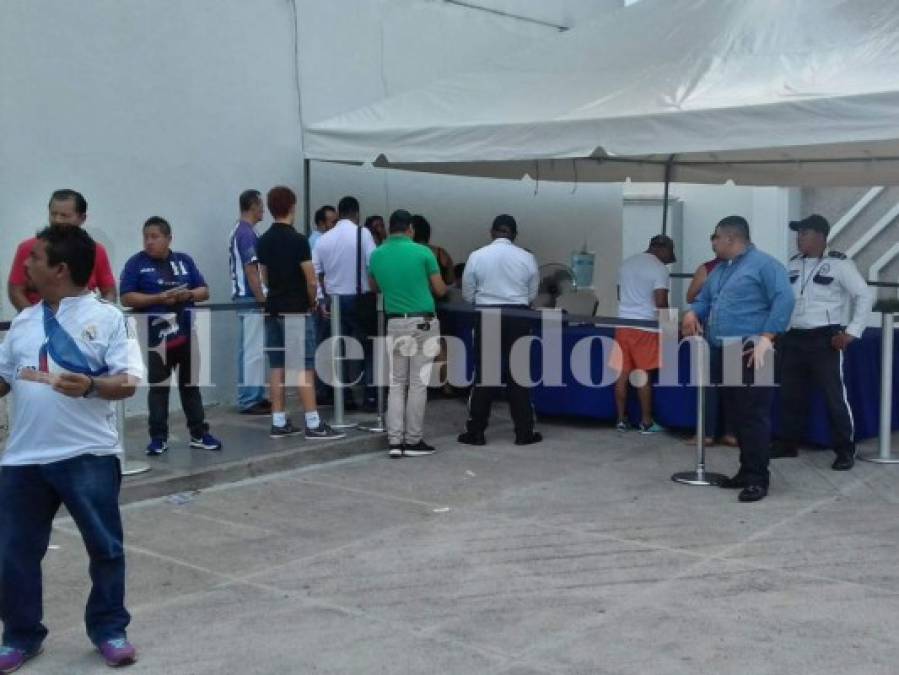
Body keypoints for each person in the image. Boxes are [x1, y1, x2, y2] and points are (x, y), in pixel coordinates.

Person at [0, 226, 144, 671]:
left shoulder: (109, 318)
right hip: (23, 459)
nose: (25, 264)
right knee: (13, 552)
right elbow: (6, 379)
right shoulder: (24, 321)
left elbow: (128, 381)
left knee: (104, 548)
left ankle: (109, 628)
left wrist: (91, 386)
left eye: (35, 258)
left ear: (60, 269)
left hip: (87, 455)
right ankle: (22, 635)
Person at [683, 215, 794, 503]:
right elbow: (705, 298)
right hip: (725, 348)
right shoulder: (722, 269)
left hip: (752, 349)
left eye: (716, 237)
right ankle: (746, 470)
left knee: (754, 416)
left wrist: (767, 337)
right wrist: (693, 312)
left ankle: (758, 478)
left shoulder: (765, 266)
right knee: (738, 414)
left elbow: (785, 299)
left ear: (730, 239)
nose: (714, 242)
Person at [773, 214, 874, 470]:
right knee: (789, 395)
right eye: (798, 233)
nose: (798, 238)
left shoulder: (839, 264)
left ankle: (844, 450)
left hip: (824, 339)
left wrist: (851, 332)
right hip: (794, 337)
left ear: (820, 236)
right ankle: (787, 443)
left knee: (833, 396)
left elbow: (864, 295)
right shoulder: (793, 264)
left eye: (803, 233)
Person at [120, 217, 222, 455]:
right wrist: (157, 299)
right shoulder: (136, 264)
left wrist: (187, 295)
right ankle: (158, 438)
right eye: (146, 237)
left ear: (168, 238)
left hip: (188, 333)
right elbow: (126, 297)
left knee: (190, 386)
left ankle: (199, 433)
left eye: (155, 237)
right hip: (156, 335)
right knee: (158, 388)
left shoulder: (184, 261)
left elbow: (204, 290)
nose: (149, 242)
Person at [256, 186, 344, 440]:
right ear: (292, 206)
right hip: (295, 309)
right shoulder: (298, 240)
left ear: (271, 209)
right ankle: (314, 422)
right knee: (304, 366)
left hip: (272, 308)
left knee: (277, 365)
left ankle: (278, 420)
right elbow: (311, 279)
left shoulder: (264, 240)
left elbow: (264, 276)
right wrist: (311, 301)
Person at [369, 210, 447, 457]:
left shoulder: (377, 254)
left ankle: (394, 441)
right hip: (422, 323)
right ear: (410, 229)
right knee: (417, 384)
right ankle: (413, 441)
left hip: (395, 323)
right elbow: (440, 289)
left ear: (390, 229)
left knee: (396, 384)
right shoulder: (423, 252)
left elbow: (374, 286)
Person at [459, 214, 541, 446]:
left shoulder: (477, 256)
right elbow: (532, 294)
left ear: (492, 232)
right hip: (518, 316)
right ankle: (524, 433)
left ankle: (476, 432)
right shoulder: (527, 257)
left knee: (486, 375)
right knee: (518, 377)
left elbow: (467, 294)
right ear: (514, 235)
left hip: (488, 315)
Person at [313, 196, 378, 411]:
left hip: (335, 301)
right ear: (357, 213)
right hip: (361, 299)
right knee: (368, 348)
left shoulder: (324, 239)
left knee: (338, 348)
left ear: (339, 213)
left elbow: (315, 273)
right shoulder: (363, 233)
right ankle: (371, 396)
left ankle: (344, 396)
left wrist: (321, 298)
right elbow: (373, 264)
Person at [7, 190, 117, 311]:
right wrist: (36, 321)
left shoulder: (96, 251)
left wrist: (102, 316)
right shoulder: (29, 248)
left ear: (82, 218)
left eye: (64, 215)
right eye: (53, 214)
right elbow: (15, 291)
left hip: (84, 324)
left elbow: (109, 292)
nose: (57, 220)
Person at [614, 234, 676, 434]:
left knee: (622, 374)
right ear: (663, 249)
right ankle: (646, 422)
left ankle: (621, 420)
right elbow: (661, 303)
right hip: (645, 328)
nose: (668, 260)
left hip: (623, 324)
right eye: (669, 255)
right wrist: (670, 327)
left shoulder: (626, 264)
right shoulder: (659, 268)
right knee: (643, 376)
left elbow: (618, 294)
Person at [684, 233, 736, 447]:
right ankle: (726, 433)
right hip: (727, 332)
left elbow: (690, 296)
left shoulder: (708, 269)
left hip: (723, 332)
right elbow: (692, 298)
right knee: (726, 383)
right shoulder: (711, 268)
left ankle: (711, 433)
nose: (714, 245)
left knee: (715, 385)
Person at [229, 189, 271, 415]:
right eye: (261, 205)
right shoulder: (245, 233)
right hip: (249, 297)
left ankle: (255, 395)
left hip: (248, 296)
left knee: (254, 348)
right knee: (251, 349)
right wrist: (262, 298)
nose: (263, 209)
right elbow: (251, 269)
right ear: (253, 206)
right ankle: (249, 399)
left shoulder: (245, 231)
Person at [309, 205, 338, 405]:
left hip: (323, 298)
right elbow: (316, 273)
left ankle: (324, 389)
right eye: (332, 222)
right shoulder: (318, 241)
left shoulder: (321, 240)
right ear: (321, 223)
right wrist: (320, 300)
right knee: (322, 344)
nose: (335, 225)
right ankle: (321, 390)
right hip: (322, 299)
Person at [411, 214, 455, 285]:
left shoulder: (406, 253)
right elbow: (450, 280)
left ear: (411, 232)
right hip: (439, 294)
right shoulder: (441, 253)